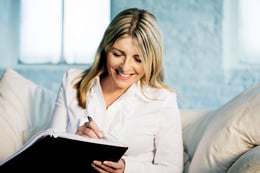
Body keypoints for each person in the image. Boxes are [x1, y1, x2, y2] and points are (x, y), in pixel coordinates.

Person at [51, 8, 183, 173]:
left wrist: (126, 169)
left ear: (151, 60)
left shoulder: (163, 100)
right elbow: (50, 154)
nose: (125, 67)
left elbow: (172, 169)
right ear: (106, 48)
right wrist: (74, 142)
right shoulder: (72, 81)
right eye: (117, 54)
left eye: (138, 59)